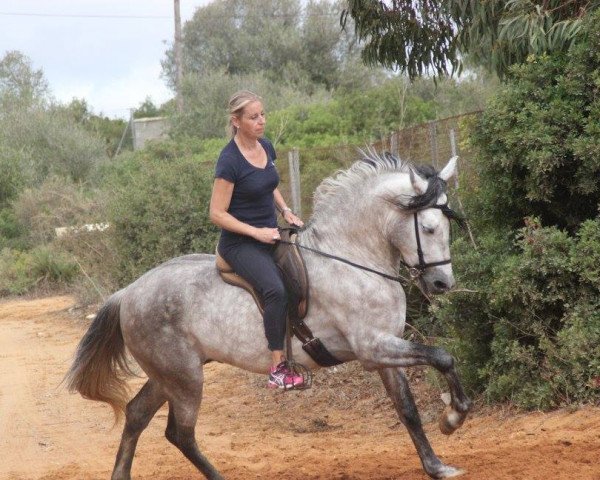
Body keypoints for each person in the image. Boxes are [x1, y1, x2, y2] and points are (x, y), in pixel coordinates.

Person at [209, 90, 305, 389]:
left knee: (303, 275)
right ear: (236, 121)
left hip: (270, 233)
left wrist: (286, 210)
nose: (261, 121)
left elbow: (269, 184)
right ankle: (277, 369)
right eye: (253, 117)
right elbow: (216, 213)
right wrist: (255, 232)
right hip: (240, 243)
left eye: (262, 114)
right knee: (275, 290)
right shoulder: (229, 161)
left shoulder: (265, 146)